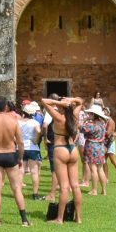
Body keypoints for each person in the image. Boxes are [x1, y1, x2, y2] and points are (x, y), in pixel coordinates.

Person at [0, 96, 31, 226]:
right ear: (6, 107)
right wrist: (20, 158)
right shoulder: (13, 121)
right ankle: (24, 219)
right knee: (16, 188)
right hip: (11, 155)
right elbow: (20, 142)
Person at [43, 95, 83, 223]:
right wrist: (70, 100)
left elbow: (44, 101)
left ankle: (60, 218)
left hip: (60, 149)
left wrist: (59, 103)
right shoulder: (74, 116)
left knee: (64, 187)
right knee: (75, 185)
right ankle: (78, 218)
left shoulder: (59, 118)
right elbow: (80, 101)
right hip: (72, 149)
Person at [80, 104, 109, 196]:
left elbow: (80, 128)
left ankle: (94, 190)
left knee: (93, 169)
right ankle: (104, 190)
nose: (88, 116)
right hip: (100, 147)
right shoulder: (102, 124)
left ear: (93, 114)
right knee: (100, 169)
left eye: (90, 114)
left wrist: (84, 120)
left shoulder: (91, 125)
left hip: (91, 146)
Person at [20, 102, 44, 200]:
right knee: (34, 172)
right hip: (32, 148)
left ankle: (18, 193)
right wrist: (36, 140)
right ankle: (35, 194)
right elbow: (38, 131)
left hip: (21, 147)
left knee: (20, 171)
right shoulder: (35, 122)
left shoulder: (19, 122)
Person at [42, 93, 61, 202]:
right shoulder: (63, 112)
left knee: (55, 168)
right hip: (64, 141)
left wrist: (45, 138)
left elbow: (45, 125)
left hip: (53, 140)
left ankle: (52, 194)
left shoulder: (51, 112)